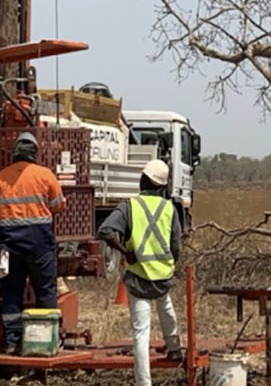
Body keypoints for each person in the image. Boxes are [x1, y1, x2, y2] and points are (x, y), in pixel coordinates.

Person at [97, 159, 183, 386]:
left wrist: (126, 252)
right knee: (166, 310)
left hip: (138, 276)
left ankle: (144, 383)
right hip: (163, 275)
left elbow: (104, 231)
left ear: (145, 180)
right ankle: (174, 349)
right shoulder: (170, 208)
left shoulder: (130, 206)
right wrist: (170, 264)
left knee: (141, 333)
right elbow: (176, 247)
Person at [0, 132, 66, 354]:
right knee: (45, 290)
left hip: (9, 244)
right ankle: (45, 341)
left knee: (11, 291)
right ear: (35, 153)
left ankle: (12, 342)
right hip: (39, 242)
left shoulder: (0, 177)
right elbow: (58, 205)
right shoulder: (45, 175)